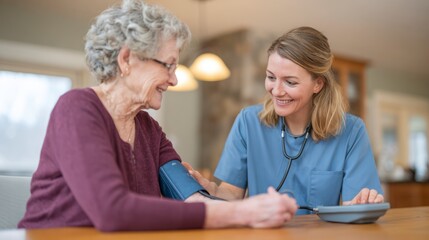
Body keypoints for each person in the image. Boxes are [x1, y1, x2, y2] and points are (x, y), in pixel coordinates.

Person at [18, 0, 297, 231]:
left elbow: (191, 199)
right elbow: (112, 211)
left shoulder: (149, 130)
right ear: (126, 59)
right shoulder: (77, 108)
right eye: (168, 65)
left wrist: (257, 211)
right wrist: (242, 213)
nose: (174, 80)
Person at [185, 26, 385, 215]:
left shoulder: (351, 131)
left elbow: (355, 206)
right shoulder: (248, 123)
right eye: (271, 77)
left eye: (290, 82)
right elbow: (231, 195)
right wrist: (210, 189)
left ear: (318, 84)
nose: (277, 91)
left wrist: (364, 205)